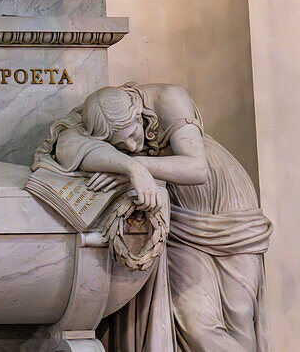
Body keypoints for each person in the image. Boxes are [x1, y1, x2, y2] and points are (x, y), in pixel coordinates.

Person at [33, 82, 272, 352]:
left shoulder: (168, 98)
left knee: (240, 319)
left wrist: (137, 167)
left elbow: (197, 168)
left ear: (138, 114)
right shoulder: (91, 115)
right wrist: (128, 165)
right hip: (178, 215)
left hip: (228, 203)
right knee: (196, 323)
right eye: (121, 145)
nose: (133, 145)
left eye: (133, 134)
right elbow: (66, 146)